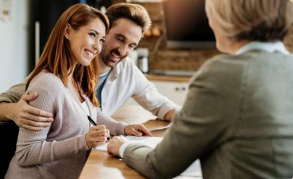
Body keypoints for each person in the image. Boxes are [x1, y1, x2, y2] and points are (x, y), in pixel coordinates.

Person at [107, 0, 293, 179]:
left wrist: (124, 147)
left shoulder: (223, 74)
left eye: (211, 14)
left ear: (227, 18)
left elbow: (159, 165)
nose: (210, 22)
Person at [4, 4, 151, 179]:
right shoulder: (47, 85)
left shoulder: (76, 78)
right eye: (92, 35)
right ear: (67, 31)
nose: (97, 47)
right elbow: (26, 153)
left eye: (102, 40)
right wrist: (83, 141)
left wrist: (124, 129)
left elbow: (93, 114)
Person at [0, 3, 178, 132]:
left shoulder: (128, 71)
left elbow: (161, 105)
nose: (122, 51)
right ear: (104, 31)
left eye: (131, 45)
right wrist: (14, 112)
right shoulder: (63, 69)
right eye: (119, 39)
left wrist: (196, 122)